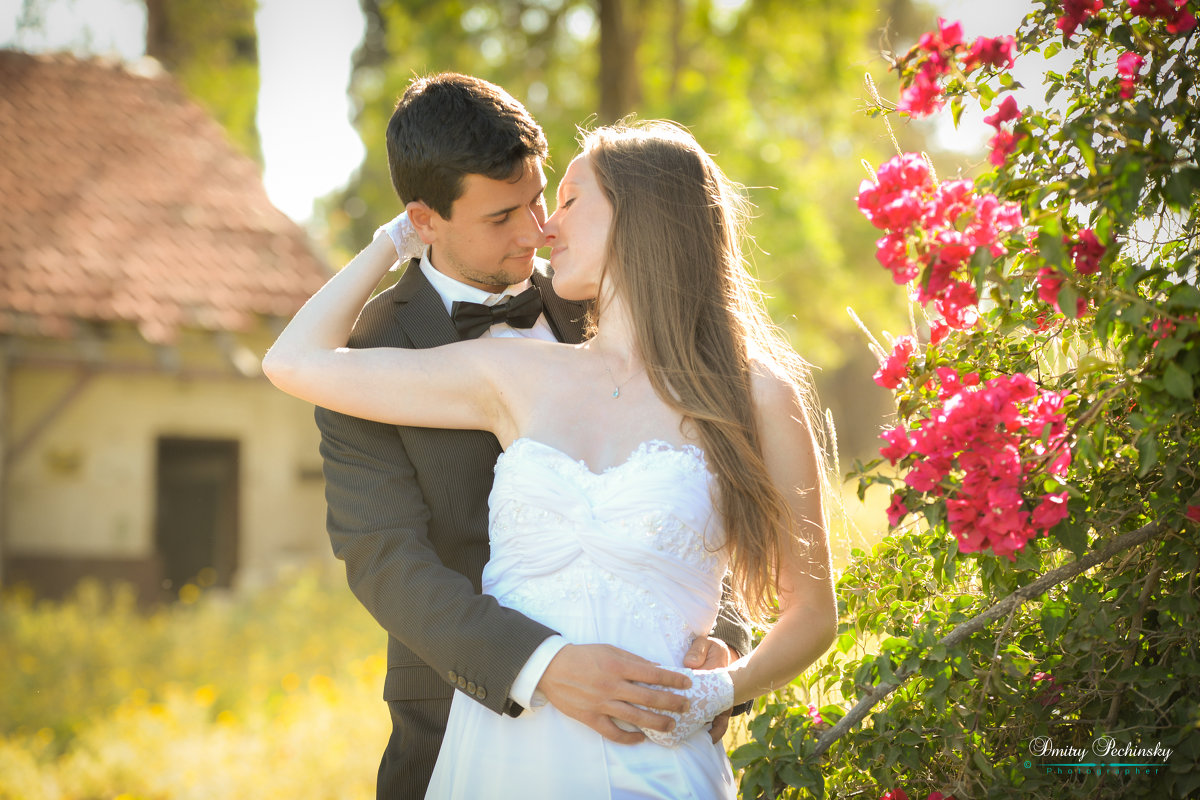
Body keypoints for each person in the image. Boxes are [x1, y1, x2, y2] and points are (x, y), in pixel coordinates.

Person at [267, 115, 837, 798]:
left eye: (561, 200)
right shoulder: (512, 368)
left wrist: (717, 688)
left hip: (657, 749)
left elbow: (803, 606)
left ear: (640, 217)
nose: (544, 227)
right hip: (494, 746)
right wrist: (392, 241)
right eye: (518, 210)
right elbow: (293, 363)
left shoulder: (758, 397)